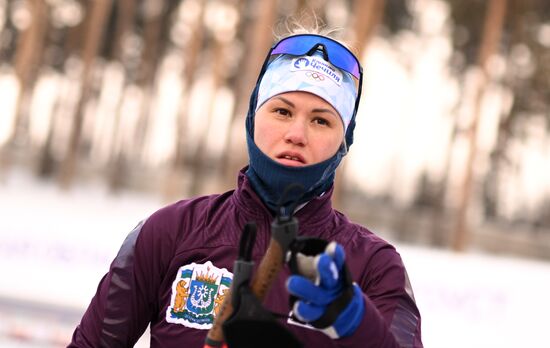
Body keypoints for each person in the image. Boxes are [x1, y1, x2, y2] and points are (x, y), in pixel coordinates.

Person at [69, 25, 422, 348]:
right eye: (282, 111)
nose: (296, 134)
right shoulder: (169, 232)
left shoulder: (375, 266)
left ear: (345, 139)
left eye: (321, 120)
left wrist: (358, 325)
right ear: (253, 116)